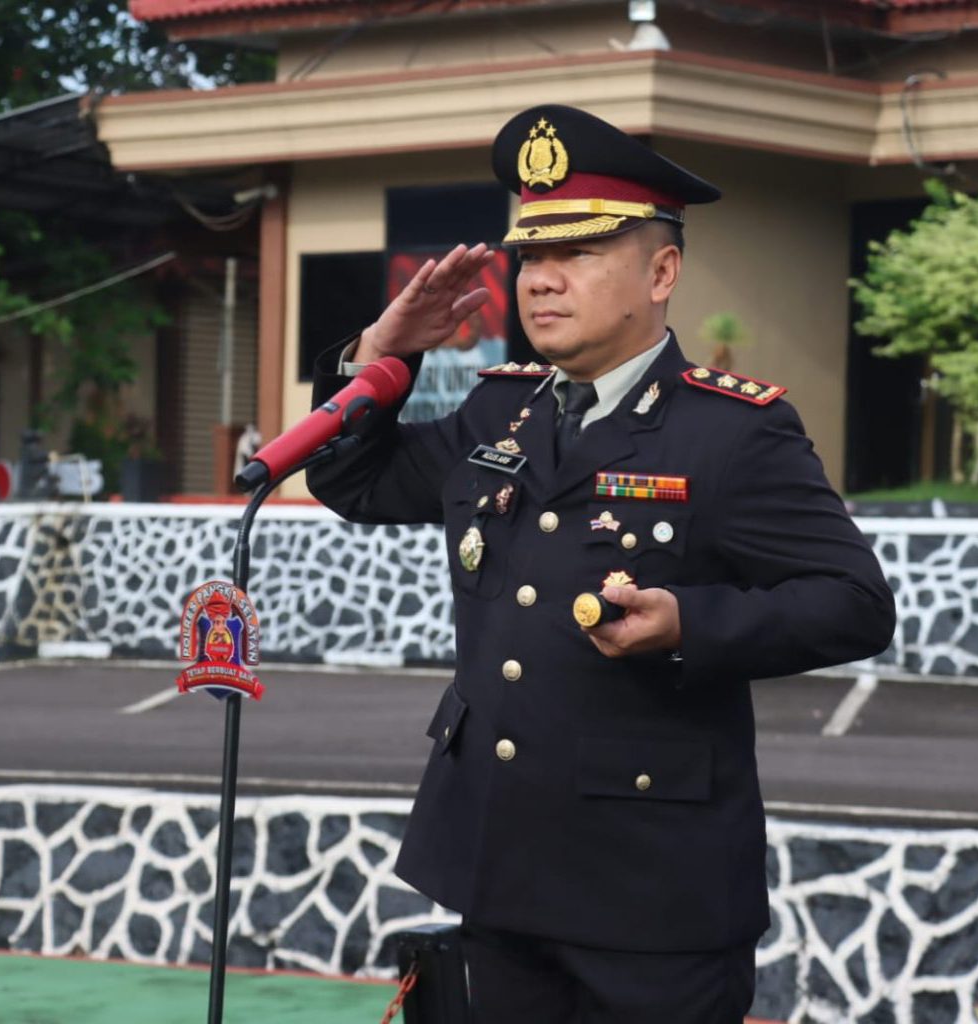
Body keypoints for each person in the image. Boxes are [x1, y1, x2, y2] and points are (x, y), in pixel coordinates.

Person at [307, 105, 896, 1024]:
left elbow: (854, 602)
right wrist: (384, 352)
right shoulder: (499, 412)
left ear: (661, 273)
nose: (541, 279)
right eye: (529, 257)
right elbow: (353, 478)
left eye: (577, 254)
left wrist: (690, 623)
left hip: (650, 895)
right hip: (499, 869)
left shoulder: (731, 431)